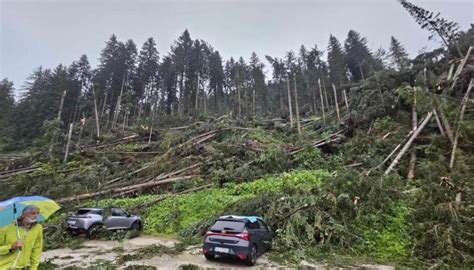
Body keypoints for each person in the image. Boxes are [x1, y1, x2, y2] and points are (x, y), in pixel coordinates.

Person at [0, 205, 43, 270]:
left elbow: (37, 248)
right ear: (23, 215)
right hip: (4, 267)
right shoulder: (6, 228)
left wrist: (34, 267)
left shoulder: (38, 228)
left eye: (37, 213)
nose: (36, 215)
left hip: (24, 267)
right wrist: (11, 247)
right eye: (33, 213)